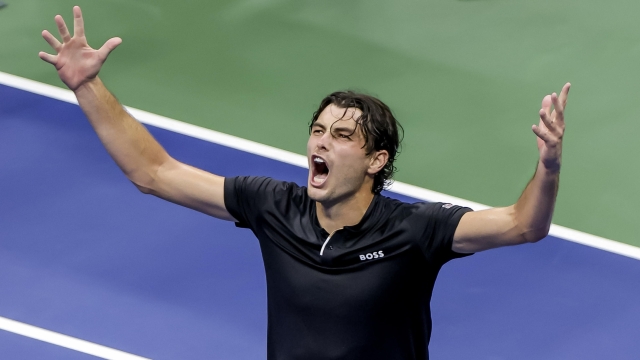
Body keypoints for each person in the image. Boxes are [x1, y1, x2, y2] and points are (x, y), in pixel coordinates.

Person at [39, 6, 570, 360]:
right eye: (317, 131)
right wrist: (87, 86)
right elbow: (154, 173)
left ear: (375, 161)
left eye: (341, 136)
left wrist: (547, 167)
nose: (320, 143)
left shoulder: (416, 229)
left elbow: (524, 226)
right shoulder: (273, 206)